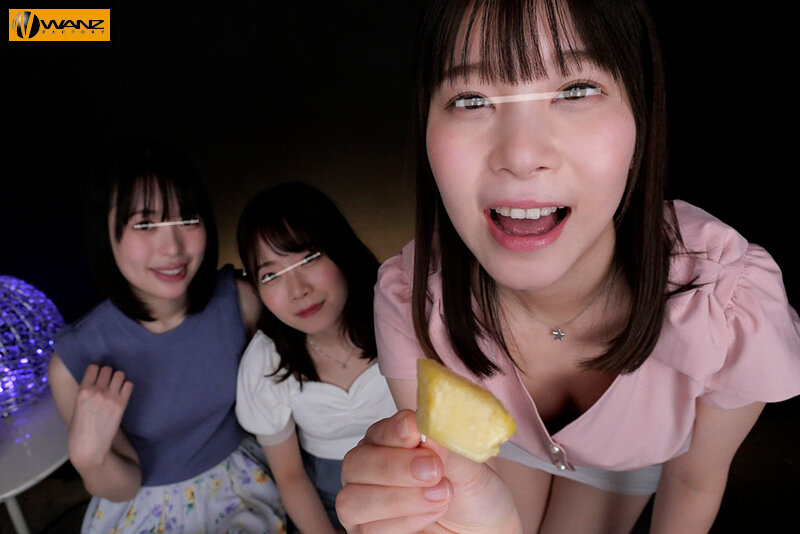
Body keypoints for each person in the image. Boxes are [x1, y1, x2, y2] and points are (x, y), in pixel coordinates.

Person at [336, 1, 800, 533]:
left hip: (625, 466)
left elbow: (694, 482)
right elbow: (458, 489)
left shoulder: (728, 303)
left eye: (576, 90)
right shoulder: (412, 296)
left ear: (640, 114)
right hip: (507, 451)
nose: (521, 156)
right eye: (471, 99)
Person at [50, 141, 285, 533]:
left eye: (188, 220)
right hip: (144, 507)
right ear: (105, 233)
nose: (173, 247)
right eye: (145, 225)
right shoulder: (77, 359)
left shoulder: (240, 302)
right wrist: (89, 458)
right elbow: (123, 487)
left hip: (243, 486)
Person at [235, 183, 397, 533]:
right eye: (270, 275)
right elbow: (290, 476)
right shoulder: (266, 362)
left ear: (340, 249)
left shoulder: (399, 315)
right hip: (329, 500)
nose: (298, 290)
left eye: (308, 258)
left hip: (418, 475)